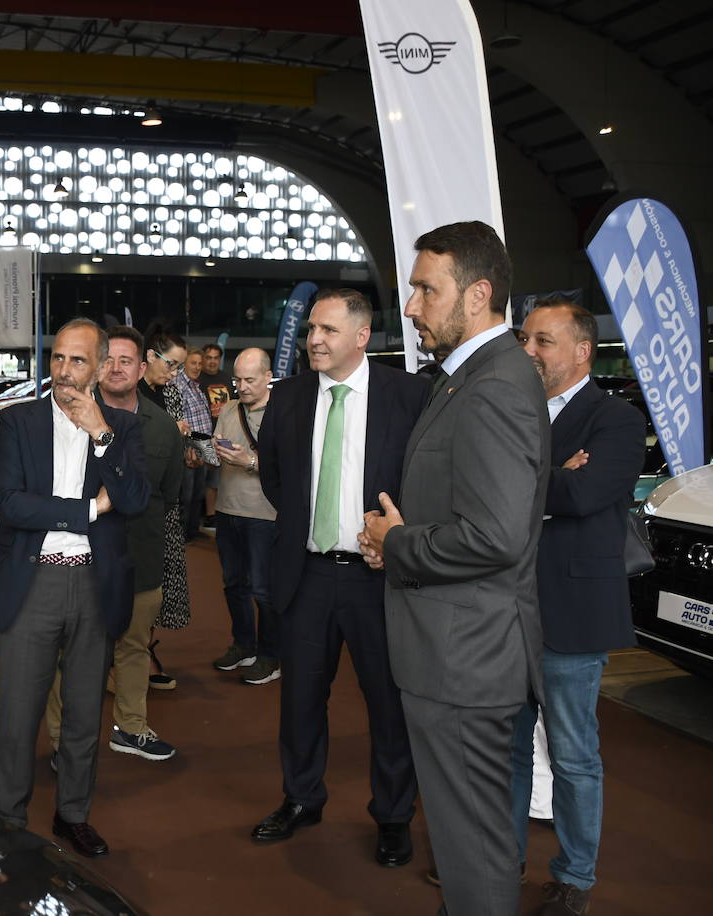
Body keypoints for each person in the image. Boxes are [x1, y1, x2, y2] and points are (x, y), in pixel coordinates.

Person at [361, 221, 548, 916]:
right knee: (471, 848)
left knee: (474, 853)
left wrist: (401, 542)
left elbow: (494, 536)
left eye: (424, 290)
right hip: (458, 656)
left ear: (476, 295)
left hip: (465, 665)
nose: (410, 307)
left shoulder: (493, 384)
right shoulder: (469, 376)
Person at [252, 290, 427, 869]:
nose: (314, 340)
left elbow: (424, 483)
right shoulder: (291, 397)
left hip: (379, 579)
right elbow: (277, 480)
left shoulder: (408, 395)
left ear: (361, 336)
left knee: (389, 703)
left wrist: (394, 539)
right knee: (301, 700)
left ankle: (395, 815)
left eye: (328, 329)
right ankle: (302, 798)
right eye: (310, 329)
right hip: (307, 574)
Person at [0, 317, 149, 858]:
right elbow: (11, 503)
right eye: (58, 358)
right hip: (34, 583)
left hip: (95, 587)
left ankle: (73, 815)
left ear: (100, 368)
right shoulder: (19, 422)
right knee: (20, 714)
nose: (65, 370)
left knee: (82, 717)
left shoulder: (122, 429)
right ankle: (7, 818)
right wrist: (89, 510)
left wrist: (100, 432)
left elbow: (137, 498)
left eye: (78, 360)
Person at [510, 301, 645, 916]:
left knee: (572, 753)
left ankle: (574, 877)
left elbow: (586, 493)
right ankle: (502, 859)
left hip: (572, 612)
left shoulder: (614, 420)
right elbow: (487, 487)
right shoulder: (515, 410)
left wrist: (529, 481)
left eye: (544, 340)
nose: (530, 351)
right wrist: (549, 477)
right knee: (506, 747)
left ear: (582, 350)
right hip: (506, 610)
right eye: (526, 340)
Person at [45, 325, 185, 761]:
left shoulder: (162, 427)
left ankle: (132, 728)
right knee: (66, 657)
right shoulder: (67, 416)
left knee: (133, 648)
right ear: (97, 362)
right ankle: (62, 743)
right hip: (77, 557)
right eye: (109, 359)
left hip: (139, 559)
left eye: (128, 361)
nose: (117, 368)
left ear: (143, 369)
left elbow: (171, 492)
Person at [209, 348, 280, 679]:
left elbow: (292, 467)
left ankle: (270, 653)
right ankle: (243, 644)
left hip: (264, 514)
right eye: (237, 379)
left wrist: (250, 462)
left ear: (268, 376)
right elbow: (217, 451)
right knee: (233, 583)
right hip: (227, 510)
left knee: (265, 589)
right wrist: (205, 452)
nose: (242, 386)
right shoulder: (229, 409)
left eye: (250, 379)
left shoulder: (283, 413)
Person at [140, 330, 193, 675]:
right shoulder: (129, 394)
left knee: (159, 584)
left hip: (167, 504)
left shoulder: (171, 393)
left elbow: (183, 442)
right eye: (171, 365)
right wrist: (170, 432)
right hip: (136, 504)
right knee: (136, 583)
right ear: (150, 356)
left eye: (179, 368)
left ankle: (143, 647)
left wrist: (195, 450)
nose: (175, 373)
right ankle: (129, 653)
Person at [176, 347, 216, 540]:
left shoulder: (195, 386)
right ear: (184, 363)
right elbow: (177, 420)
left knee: (198, 492)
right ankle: (182, 534)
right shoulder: (178, 385)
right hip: (189, 446)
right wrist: (187, 448)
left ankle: (192, 530)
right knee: (186, 494)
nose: (198, 367)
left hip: (203, 444)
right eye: (194, 363)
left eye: (200, 363)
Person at [198, 343, 233, 530]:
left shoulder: (226, 378)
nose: (212, 361)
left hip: (224, 432)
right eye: (209, 357)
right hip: (203, 434)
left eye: (215, 358)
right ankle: (208, 515)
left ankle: (217, 513)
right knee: (206, 476)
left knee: (220, 475)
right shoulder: (198, 379)